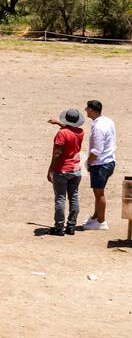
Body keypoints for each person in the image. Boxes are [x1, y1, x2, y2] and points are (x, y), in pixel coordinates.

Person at [47, 108, 85, 236]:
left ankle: (59, 226)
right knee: (74, 197)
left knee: (60, 198)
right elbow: (72, 130)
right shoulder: (80, 132)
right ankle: (71, 226)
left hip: (62, 169)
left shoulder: (61, 134)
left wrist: (50, 169)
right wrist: (58, 123)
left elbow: (57, 153)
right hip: (76, 169)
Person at [82, 100, 117, 231]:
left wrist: (88, 162)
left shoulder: (98, 127)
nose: (85, 110)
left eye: (87, 108)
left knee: (99, 194)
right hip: (109, 161)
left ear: (91, 110)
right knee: (98, 192)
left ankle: (101, 222)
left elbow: (97, 150)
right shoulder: (108, 121)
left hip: (100, 164)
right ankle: (96, 216)